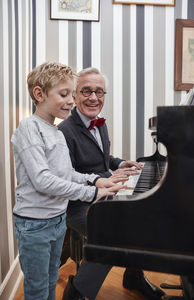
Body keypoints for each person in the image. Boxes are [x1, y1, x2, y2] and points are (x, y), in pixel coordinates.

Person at [11, 62, 125, 300]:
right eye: (65, 95)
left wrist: (96, 181)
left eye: (72, 95)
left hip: (56, 219)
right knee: (38, 288)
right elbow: (43, 180)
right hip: (34, 224)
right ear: (39, 94)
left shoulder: (53, 130)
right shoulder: (29, 128)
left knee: (52, 278)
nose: (71, 102)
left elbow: (67, 173)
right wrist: (91, 193)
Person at [58, 67, 165, 300]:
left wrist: (119, 163)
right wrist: (100, 185)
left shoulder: (99, 123)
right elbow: (65, 178)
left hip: (106, 195)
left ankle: (133, 276)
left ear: (104, 95)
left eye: (99, 92)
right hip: (79, 205)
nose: (93, 97)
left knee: (141, 216)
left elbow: (102, 159)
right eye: (86, 91)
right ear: (74, 95)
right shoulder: (64, 131)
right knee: (113, 233)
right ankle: (77, 292)